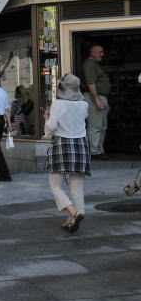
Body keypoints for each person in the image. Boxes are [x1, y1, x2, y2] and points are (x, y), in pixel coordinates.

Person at [44, 73, 91, 234]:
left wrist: (46, 119)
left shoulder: (58, 104)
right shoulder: (84, 104)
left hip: (63, 144)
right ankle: (72, 219)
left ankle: (73, 213)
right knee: (77, 186)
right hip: (81, 145)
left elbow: (51, 126)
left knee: (55, 186)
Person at [81, 44, 110, 159]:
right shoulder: (89, 64)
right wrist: (97, 100)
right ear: (92, 53)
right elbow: (90, 83)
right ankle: (94, 151)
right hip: (93, 97)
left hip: (98, 97)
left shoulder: (94, 64)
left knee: (101, 126)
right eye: (100, 52)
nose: (102, 54)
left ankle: (99, 150)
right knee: (95, 126)